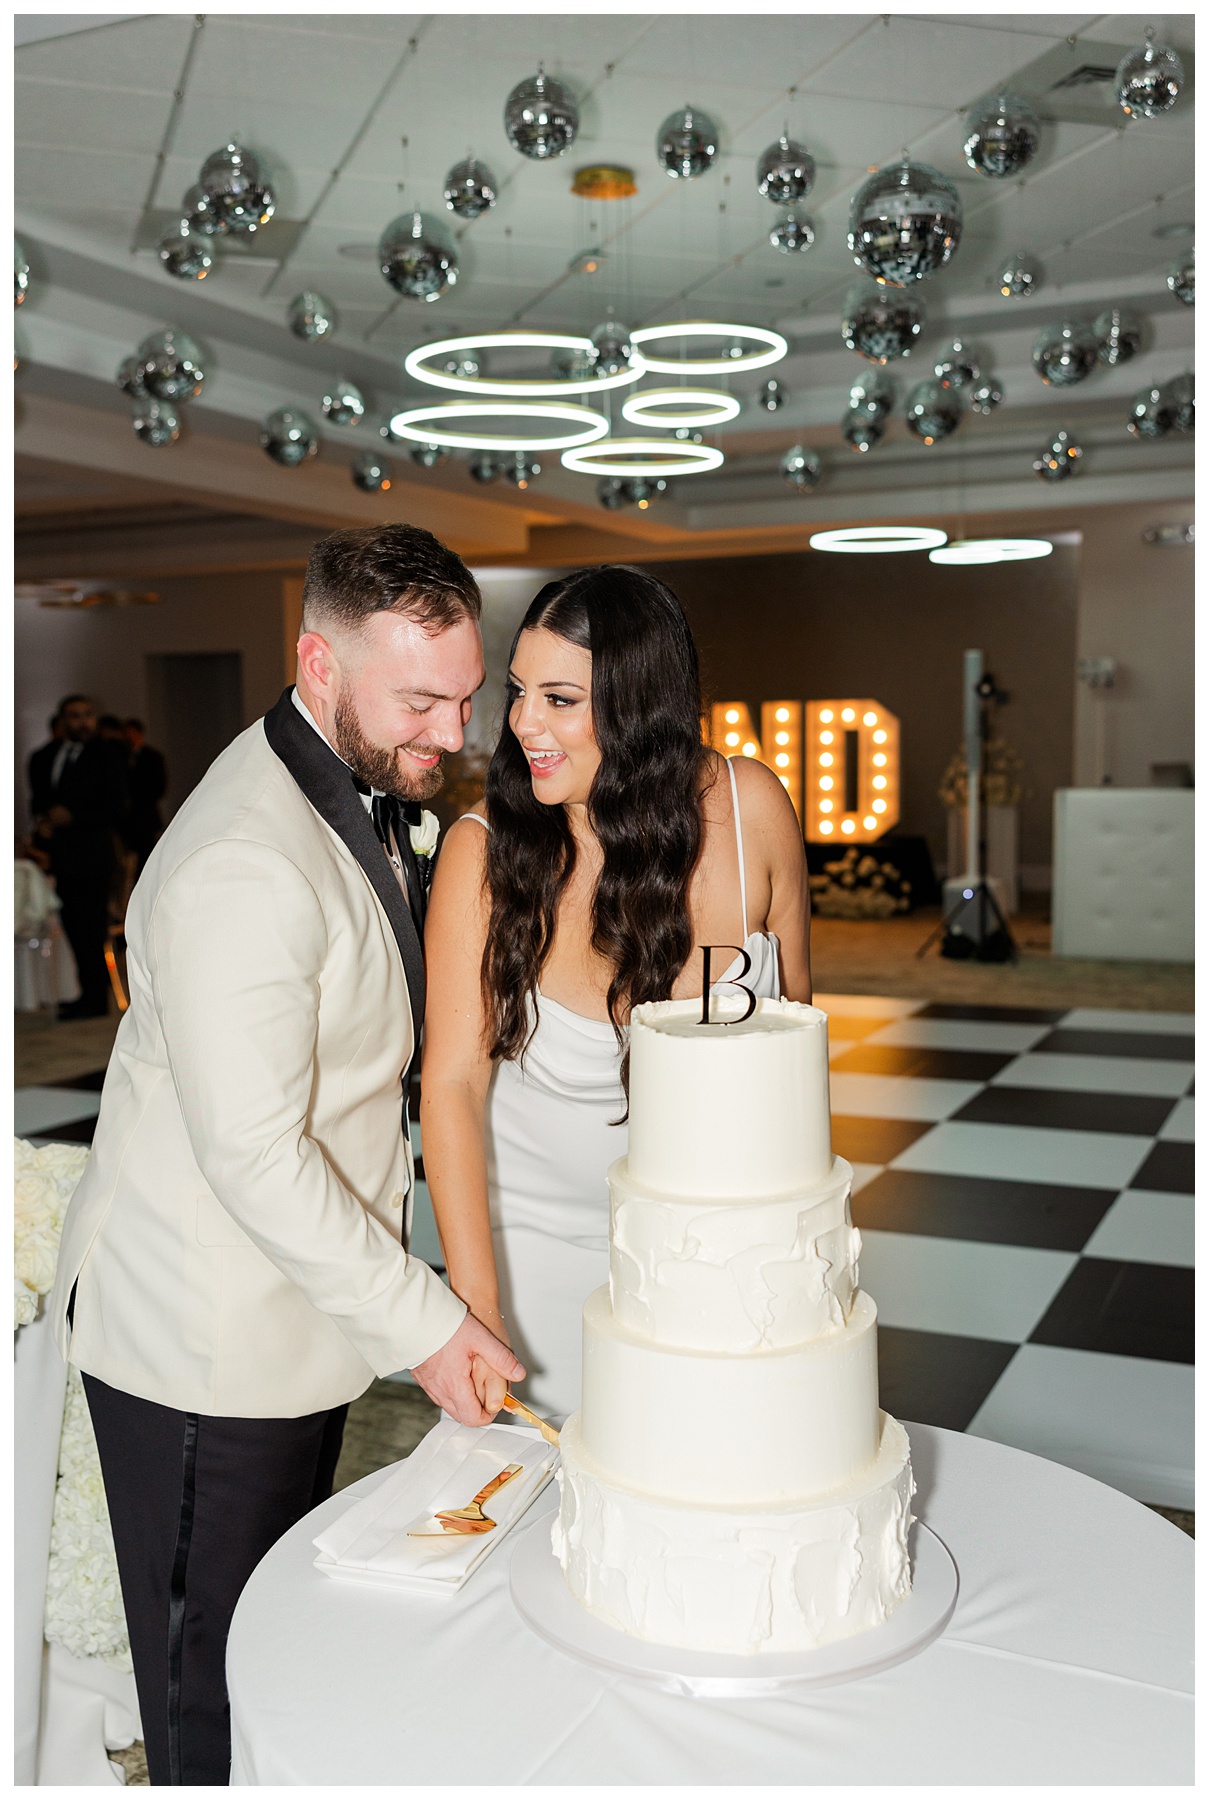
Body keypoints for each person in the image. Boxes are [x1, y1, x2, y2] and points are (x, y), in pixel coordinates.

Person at [49, 524, 523, 1787]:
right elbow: (256, 1155)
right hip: (205, 1347)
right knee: (209, 1693)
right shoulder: (243, 858)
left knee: (274, 1645)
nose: (450, 732)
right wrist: (427, 1322)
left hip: (292, 1316)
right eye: (419, 700)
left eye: (465, 698)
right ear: (319, 663)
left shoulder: (343, 782)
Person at [421, 565, 813, 1423]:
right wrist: (473, 1305)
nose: (522, 722)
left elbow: (795, 1054)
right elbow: (449, 1084)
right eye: (520, 691)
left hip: (722, 1254)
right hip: (538, 1264)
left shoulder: (752, 811)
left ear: (639, 705)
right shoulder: (483, 855)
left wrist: (783, 1253)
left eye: (559, 698)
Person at [30, 694, 129, 1019]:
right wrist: (45, 821)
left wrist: (73, 816)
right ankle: (84, 992)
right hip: (61, 855)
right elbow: (38, 800)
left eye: (87, 715)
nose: (82, 722)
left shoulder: (106, 756)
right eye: (75, 716)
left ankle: (95, 1000)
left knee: (92, 927)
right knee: (71, 925)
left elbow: (117, 807)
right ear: (62, 720)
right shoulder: (44, 756)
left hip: (93, 855)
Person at [123, 716, 168, 876]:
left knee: (145, 859)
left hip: (145, 817)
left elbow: (159, 787)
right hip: (127, 818)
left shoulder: (152, 757)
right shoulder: (122, 757)